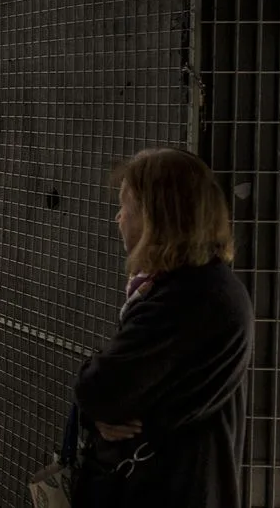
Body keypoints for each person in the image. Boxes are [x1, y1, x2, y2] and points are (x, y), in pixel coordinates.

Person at [70, 148, 253, 508]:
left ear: (158, 218)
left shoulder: (187, 299)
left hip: (166, 487)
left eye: (129, 207)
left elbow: (99, 388)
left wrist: (103, 407)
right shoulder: (202, 287)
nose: (119, 218)